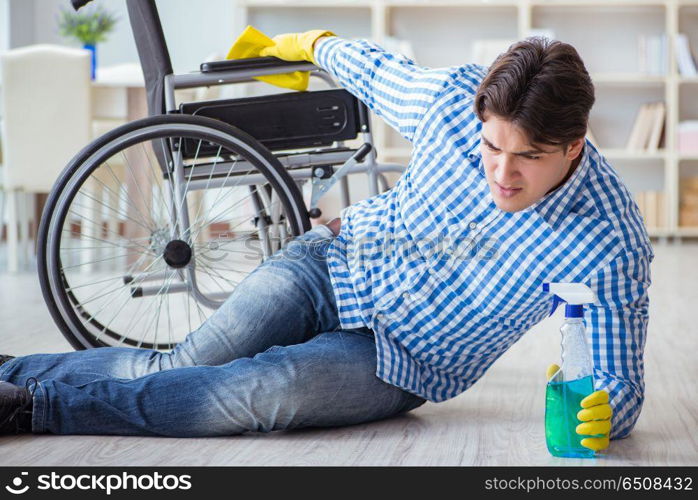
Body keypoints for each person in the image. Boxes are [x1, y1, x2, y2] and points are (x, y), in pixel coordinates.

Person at [1, 30, 652, 452]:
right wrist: (310, 43)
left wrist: (605, 410)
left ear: (574, 146)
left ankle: (31, 408)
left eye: (529, 157)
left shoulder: (611, 239)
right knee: (189, 360)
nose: (502, 174)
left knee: (261, 391)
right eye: (490, 146)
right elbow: (373, 69)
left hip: (400, 359)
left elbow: (620, 381)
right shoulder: (453, 100)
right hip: (330, 265)